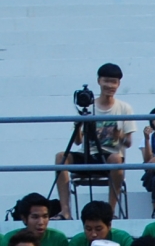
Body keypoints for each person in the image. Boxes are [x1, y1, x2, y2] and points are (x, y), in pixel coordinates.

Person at [55, 63, 135, 217]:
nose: (110, 85)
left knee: (117, 158)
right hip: (86, 155)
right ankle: (65, 210)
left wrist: (119, 136)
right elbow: (78, 141)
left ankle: (110, 211)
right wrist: (78, 124)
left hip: (109, 158)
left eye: (114, 82)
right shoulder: (88, 106)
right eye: (106, 81)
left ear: (119, 84)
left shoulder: (124, 108)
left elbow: (129, 143)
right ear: (99, 81)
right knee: (60, 157)